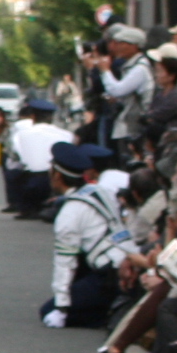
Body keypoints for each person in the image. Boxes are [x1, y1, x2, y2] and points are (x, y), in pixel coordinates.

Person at [44, 141, 136, 328]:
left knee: (47, 311)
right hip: (128, 258)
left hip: (108, 274)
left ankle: (110, 313)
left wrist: (62, 307)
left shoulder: (70, 213)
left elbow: (65, 261)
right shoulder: (99, 191)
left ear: (57, 175)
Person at [2, 92, 74, 217]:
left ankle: (23, 206)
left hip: (30, 183)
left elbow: (14, 161)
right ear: (52, 117)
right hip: (55, 182)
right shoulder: (66, 135)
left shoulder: (21, 134)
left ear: (33, 117)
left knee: (11, 165)